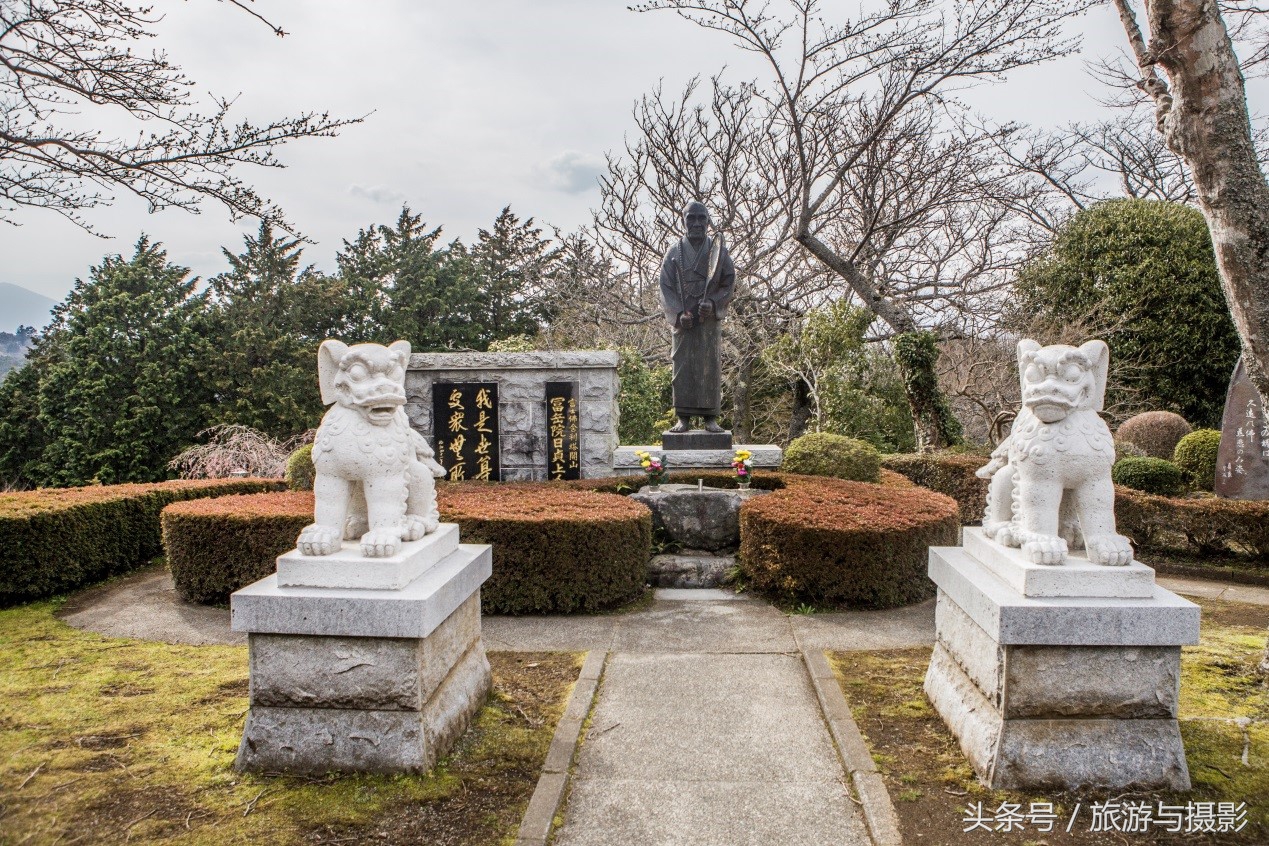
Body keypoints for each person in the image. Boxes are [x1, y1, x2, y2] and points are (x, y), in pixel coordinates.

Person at [658, 201, 736, 433]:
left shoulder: (718, 251)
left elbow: (729, 281)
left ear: (708, 221)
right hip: (684, 322)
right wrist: (679, 313)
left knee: (709, 365)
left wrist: (712, 303)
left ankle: (710, 417)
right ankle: (683, 416)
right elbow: (665, 286)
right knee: (682, 366)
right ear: (683, 221)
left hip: (708, 321)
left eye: (702, 218)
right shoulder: (673, 252)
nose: (696, 223)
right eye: (691, 218)